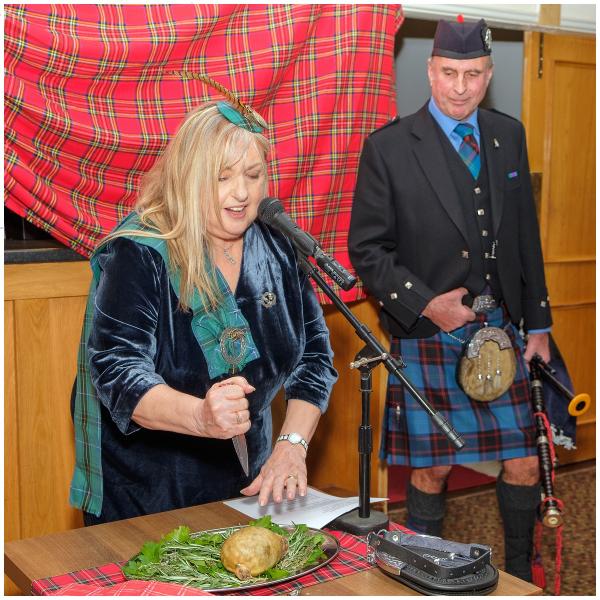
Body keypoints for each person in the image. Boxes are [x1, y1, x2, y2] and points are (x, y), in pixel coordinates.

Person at [348, 18, 551, 582]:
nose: (460, 87)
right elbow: (367, 250)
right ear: (429, 70)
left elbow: (525, 238)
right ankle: (426, 575)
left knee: (525, 460)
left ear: (488, 75)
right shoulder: (389, 146)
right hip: (429, 335)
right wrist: (426, 303)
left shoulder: (508, 134)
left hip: (502, 330)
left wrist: (538, 324)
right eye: (449, 73)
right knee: (432, 468)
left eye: (474, 75)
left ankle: (517, 574)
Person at [70, 100, 338, 525]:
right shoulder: (140, 251)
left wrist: (291, 444)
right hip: (149, 496)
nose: (242, 193)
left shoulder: (277, 245)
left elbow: (314, 358)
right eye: (222, 177)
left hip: (251, 486)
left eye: (253, 175)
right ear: (188, 179)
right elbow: (117, 373)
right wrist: (200, 415)